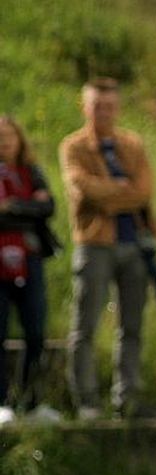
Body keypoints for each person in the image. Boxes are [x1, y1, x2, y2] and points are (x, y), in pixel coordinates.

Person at [59, 77, 156, 420]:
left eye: (110, 106)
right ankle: (86, 401)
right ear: (85, 108)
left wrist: (111, 194)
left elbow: (144, 191)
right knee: (84, 325)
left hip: (133, 244)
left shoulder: (132, 144)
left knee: (131, 327)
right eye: (97, 106)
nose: (104, 112)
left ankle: (126, 399)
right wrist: (121, 192)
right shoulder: (73, 147)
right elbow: (84, 189)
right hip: (94, 244)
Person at [0, 115, 62, 426]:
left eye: (10, 136)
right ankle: (2, 402)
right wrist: (29, 206)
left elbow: (48, 207)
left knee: (36, 332)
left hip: (30, 259)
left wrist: (13, 205)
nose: (5, 142)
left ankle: (30, 400)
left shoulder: (31, 172)